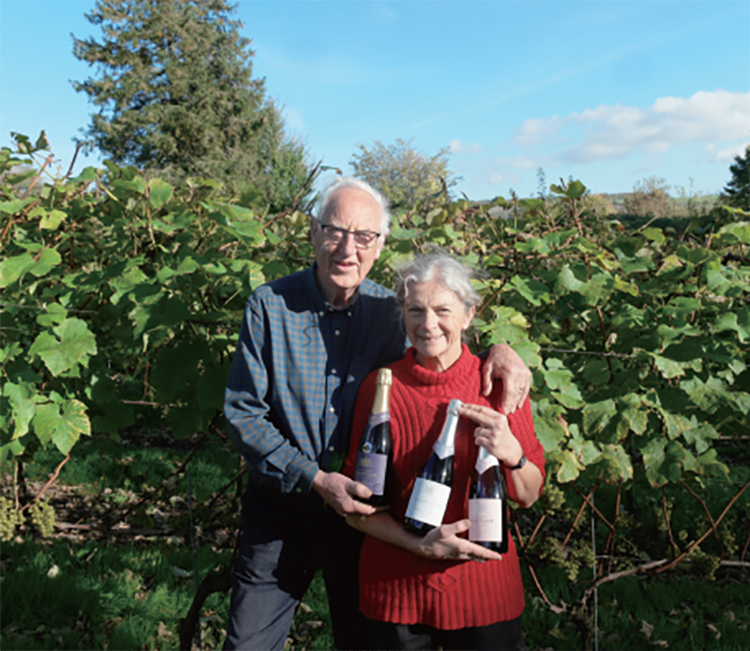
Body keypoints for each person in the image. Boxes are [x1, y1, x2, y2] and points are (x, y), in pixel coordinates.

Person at [223, 177, 532, 651]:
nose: (348, 248)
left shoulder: (392, 309)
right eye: (335, 231)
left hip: (367, 516)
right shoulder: (270, 306)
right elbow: (244, 414)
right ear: (313, 232)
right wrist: (316, 479)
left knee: (359, 641)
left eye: (364, 236)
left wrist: (501, 350)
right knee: (249, 644)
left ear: (380, 244)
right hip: (285, 509)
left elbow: (442, 336)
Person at [343, 251, 545, 651]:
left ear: (469, 315)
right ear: (403, 313)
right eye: (415, 310)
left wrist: (512, 453)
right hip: (395, 595)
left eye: (442, 310)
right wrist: (419, 545)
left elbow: (529, 494)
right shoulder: (381, 389)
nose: (428, 324)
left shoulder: (502, 386)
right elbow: (357, 510)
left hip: (485, 595)